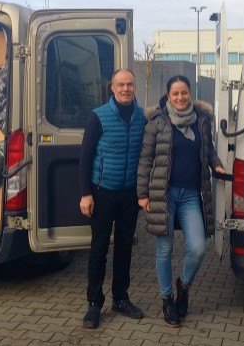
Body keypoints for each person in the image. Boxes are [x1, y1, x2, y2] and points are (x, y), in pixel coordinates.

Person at [137, 75, 225, 327]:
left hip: (190, 195)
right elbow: (145, 159)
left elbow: (208, 150)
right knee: (164, 250)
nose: (180, 97)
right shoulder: (157, 121)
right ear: (168, 95)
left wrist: (217, 165)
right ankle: (167, 300)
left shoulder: (202, 121)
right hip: (163, 194)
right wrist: (142, 194)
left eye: (184, 92)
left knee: (198, 248)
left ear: (190, 93)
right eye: (175, 93)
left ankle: (183, 286)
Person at [78, 69, 146, 329]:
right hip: (102, 191)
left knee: (125, 247)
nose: (125, 89)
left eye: (130, 84)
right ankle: (94, 303)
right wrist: (85, 193)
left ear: (135, 87)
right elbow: (85, 157)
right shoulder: (98, 116)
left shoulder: (141, 117)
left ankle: (120, 298)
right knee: (99, 249)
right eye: (121, 85)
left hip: (129, 194)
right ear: (112, 88)